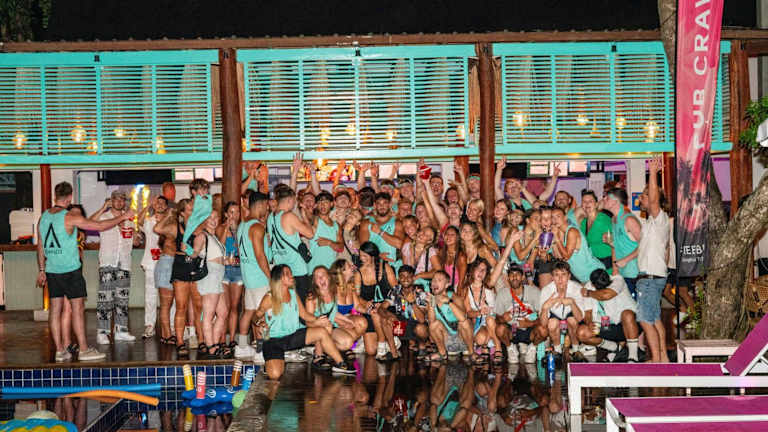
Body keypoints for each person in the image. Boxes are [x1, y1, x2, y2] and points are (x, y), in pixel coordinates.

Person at [37, 182, 134, 362]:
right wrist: (123, 217)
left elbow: (40, 246)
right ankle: (83, 349)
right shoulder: (69, 217)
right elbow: (99, 226)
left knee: (55, 311)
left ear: (55, 196)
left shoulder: (43, 217)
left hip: (52, 270)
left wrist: (42, 269)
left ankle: (60, 351)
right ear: (70, 198)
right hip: (70, 270)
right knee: (77, 309)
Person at [255, 265, 355, 380]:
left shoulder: (293, 294)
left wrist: (318, 320)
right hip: (274, 340)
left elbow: (304, 315)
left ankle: (340, 364)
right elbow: (255, 315)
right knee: (275, 374)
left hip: (293, 335)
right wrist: (259, 323)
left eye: (291, 273)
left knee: (321, 331)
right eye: (288, 274)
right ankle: (270, 362)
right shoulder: (269, 297)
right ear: (279, 278)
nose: (292, 276)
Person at [635, 156, 670, 363]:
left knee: (645, 320)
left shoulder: (659, 218)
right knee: (655, 319)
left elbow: (655, 199)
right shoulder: (651, 222)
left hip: (650, 278)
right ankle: (663, 358)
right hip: (653, 277)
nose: (641, 199)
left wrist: (653, 173)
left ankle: (656, 362)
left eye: (644, 195)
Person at [90, 190, 136, 344]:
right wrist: (103, 208)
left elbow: (135, 241)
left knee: (122, 299)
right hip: (108, 262)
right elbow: (89, 223)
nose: (120, 202)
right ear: (111, 200)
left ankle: (121, 330)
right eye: (116, 199)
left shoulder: (129, 218)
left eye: (122, 199)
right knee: (105, 299)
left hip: (125, 263)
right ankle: (102, 332)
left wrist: (136, 236)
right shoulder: (104, 217)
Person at [234, 191, 271, 364]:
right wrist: (270, 277)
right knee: (261, 315)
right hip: (259, 277)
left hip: (248, 276)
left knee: (248, 312)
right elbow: (260, 255)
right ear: (261, 205)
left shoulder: (243, 225)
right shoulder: (257, 227)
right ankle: (260, 351)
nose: (267, 209)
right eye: (266, 205)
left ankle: (241, 347)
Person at [306, 266, 366, 370]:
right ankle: (318, 354)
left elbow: (333, 313)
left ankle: (329, 350)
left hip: (330, 327)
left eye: (323, 275)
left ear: (329, 277)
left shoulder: (332, 293)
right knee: (326, 326)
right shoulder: (312, 298)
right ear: (314, 281)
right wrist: (317, 322)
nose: (320, 278)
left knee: (348, 341)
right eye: (317, 277)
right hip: (315, 330)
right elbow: (308, 322)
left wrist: (347, 321)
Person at [578, 268, 641, 362]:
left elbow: (606, 295)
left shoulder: (618, 280)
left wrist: (589, 293)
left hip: (630, 324)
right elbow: (588, 313)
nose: (604, 288)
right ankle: (616, 348)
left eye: (606, 286)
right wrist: (589, 323)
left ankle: (633, 357)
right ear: (593, 285)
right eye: (601, 287)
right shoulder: (588, 286)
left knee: (627, 314)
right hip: (607, 325)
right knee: (582, 333)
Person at [191, 211, 230, 359]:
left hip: (218, 276)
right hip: (210, 276)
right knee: (208, 314)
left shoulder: (213, 237)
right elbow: (194, 254)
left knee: (223, 313)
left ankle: (214, 343)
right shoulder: (202, 236)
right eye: (210, 218)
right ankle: (211, 346)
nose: (213, 220)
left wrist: (227, 261)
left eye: (215, 217)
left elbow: (216, 257)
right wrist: (187, 250)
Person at [267, 184, 315, 302]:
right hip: (297, 270)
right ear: (289, 200)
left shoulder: (271, 217)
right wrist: (304, 216)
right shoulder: (288, 216)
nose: (294, 204)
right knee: (301, 304)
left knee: (286, 304)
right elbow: (310, 234)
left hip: (281, 269)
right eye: (294, 201)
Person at [356, 241, 400, 360]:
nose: (361, 258)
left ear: (373, 256)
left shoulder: (385, 267)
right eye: (360, 255)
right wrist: (365, 303)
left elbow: (396, 289)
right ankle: (388, 340)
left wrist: (385, 303)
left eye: (365, 256)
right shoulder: (359, 273)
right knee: (370, 351)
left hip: (387, 306)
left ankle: (382, 344)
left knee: (376, 313)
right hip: (370, 308)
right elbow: (357, 296)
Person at [539, 261, 587, 361]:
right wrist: (544, 308)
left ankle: (575, 350)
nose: (560, 279)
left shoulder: (577, 288)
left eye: (563, 274)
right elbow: (543, 324)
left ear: (569, 276)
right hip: (555, 318)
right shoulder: (546, 290)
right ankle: (558, 351)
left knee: (572, 320)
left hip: (572, 318)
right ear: (552, 277)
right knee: (552, 323)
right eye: (556, 275)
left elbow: (580, 318)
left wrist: (572, 303)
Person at [494, 264, 541, 364]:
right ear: (508, 278)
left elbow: (543, 318)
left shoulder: (534, 291)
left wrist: (530, 323)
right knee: (499, 329)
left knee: (543, 330)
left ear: (523, 277)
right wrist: (503, 319)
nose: (514, 277)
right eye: (511, 274)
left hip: (530, 330)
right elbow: (497, 319)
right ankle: (510, 348)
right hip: (512, 330)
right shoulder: (502, 294)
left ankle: (532, 348)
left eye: (517, 274)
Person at [138, 195, 169, 339]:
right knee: (150, 295)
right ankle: (150, 325)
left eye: (163, 203)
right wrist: (148, 205)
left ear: (166, 206)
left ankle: (171, 327)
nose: (160, 205)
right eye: (158, 203)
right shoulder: (148, 221)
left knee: (169, 296)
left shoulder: (170, 221)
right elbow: (139, 221)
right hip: (151, 262)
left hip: (168, 262)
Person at [603, 188, 641, 299]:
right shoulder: (613, 220)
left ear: (615, 201)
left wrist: (626, 260)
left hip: (635, 274)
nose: (604, 199)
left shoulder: (629, 220)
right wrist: (611, 243)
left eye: (607, 198)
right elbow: (619, 246)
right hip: (623, 273)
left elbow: (645, 245)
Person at [427, 271, 474, 362]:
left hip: (463, 340)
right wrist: (432, 304)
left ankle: (472, 353)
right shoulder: (431, 298)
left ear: (447, 285)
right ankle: (442, 353)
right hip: (447, 342)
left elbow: (463, 318)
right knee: (433, 324)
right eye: (433, 280)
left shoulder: (454, 297)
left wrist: (449, 302)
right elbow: (431, 322)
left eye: (439, 280)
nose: (435, 283)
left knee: (465, 322)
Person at [551, 207, 605, 284]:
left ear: (565, 217)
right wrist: (554, 241)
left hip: (595, 273)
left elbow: (566, 256)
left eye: (558, 216)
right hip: (585, 277)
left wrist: (556, 238)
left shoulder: (572, 231)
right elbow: (561, 258)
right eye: (552, 217)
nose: (555, 220)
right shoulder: (562, 233)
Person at [216, 201, 243, 348]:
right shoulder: (220, 227)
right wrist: (227, 227)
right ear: (226, 214)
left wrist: (236, 232)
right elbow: (219, 246)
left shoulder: (241, 228)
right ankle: (221, 340)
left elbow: (242, 249)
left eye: (237, 212)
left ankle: (232, 339)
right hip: (224, 270)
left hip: (238, 269)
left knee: (234, 306)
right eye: (231, 212)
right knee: (224, 308)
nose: (234, 215)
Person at [359, 191, 404, 267]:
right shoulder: (366, 223)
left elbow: (399, 244)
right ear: (374, 205)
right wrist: (378, 256)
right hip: (371, 266)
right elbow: (363, 249)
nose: (382, 206)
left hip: (392, 266)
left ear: (390, 205)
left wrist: (380, 232)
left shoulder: (397, 222)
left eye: (385, 203)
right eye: (379, 203)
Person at [308, 191, 343, 273]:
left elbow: (341, 248)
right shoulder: (314, 220)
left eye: (325, 202)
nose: (322, 205)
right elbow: (308, 215)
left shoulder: (336, 225)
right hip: (314, 270)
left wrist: (329, 243)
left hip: (331, 270)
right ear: (316, 205)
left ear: (331, 204)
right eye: (320, 202)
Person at [580, 190, 613, 269]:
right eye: (584, 201)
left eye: (590, 201)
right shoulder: (583, 222)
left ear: (596, 204)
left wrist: (615, 268)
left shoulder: (604, 220)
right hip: (593, 264)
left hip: (607, 264)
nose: (587, 204)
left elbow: (614, 245)